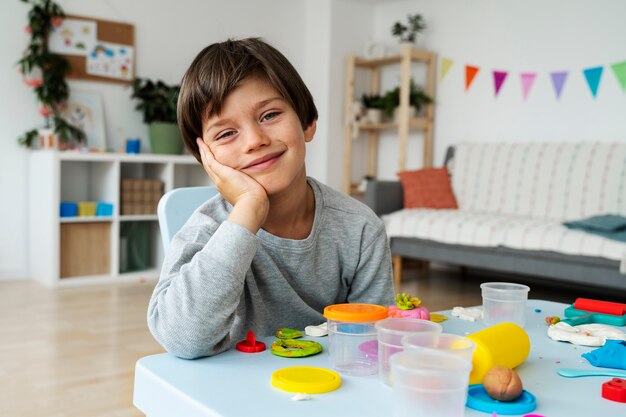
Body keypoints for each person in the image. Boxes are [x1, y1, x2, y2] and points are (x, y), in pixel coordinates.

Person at [147, 38, 394, 359]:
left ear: (307, 122)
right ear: (206, 157)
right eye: (226, 133)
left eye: (269, 115)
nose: (254, 140)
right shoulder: (207, 232)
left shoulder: (360, 229)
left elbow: (372, 342)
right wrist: (248, 209)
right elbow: (182, 339)